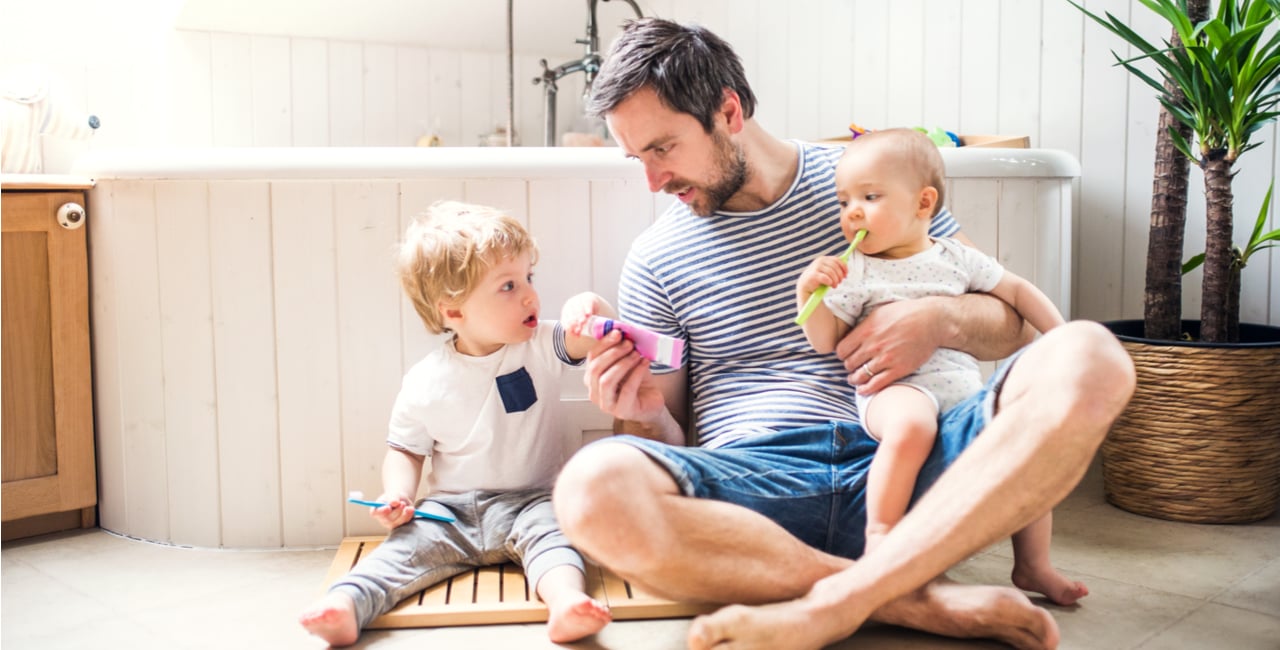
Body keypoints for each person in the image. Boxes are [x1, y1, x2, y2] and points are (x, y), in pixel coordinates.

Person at [550, 17, 1135, 650]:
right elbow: (674, 435)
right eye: (635, 158)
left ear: (728, 110)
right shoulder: (655, 258)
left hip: (918, 459)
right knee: (588, 486)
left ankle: (836, 600)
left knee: (1090, 353)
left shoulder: (870, 182)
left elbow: (1009, 324)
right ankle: (912, 603)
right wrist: (639, 414)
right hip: (760, 484)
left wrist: (938, 317)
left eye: (662, 149)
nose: (653, 181)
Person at [299, 201, 613, 646]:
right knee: (401, 553)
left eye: (529, 278)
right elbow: (405, 450)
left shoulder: (539, 343)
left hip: (532, 501)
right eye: (508, 285)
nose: (529, 295)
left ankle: (565, 603)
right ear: (453, 312)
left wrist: (590, 305)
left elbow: (590, 332)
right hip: (448, 511)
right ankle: (347, 604)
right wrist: (399, 495)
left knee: (556, 541)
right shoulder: (426, 382)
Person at [797, 128, 1084, 606]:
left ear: (923, 202)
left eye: (870, 197)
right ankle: (881, 539)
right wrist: (810, 293)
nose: (851, 213)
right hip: (892, 392)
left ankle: (1033, 565)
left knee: (1027, 441)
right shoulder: (855, 271)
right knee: (912, 426)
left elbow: (1018, 292)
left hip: (962, 394)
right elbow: (824, 338)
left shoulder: (957, 258)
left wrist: (1065, 339)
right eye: (844, 200)